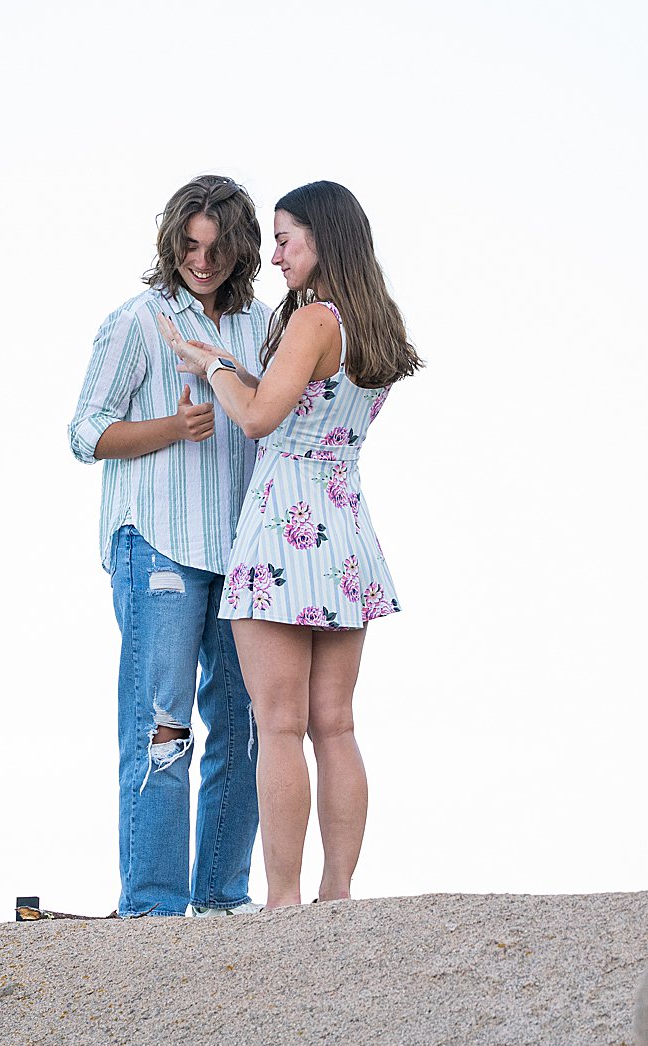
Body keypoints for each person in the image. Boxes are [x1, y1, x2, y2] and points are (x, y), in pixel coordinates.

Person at [159, 180, 420, 909]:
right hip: (345, 532)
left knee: (278, 724)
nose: (273, 255)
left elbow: (259, 420)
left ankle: (282, 900)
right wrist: (233, 368)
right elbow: (295, 400)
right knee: (335, 724)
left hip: (283, 529)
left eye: (284, 238)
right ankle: (337, 895)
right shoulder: (374, 324)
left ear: (322, 238)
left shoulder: (311, 319)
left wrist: (210, 367)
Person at [68, 175, 272, 918]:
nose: (202, 260)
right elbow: (85, 433)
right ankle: (151, 907)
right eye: (189, 244)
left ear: (240, 247)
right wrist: (170, 429)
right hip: (158, 546)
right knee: (164, 728)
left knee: (243, 727)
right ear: (172, 241)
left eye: (217, 247)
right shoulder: (138, 322)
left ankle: (221, 895)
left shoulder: (263, 325)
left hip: (245, 554)